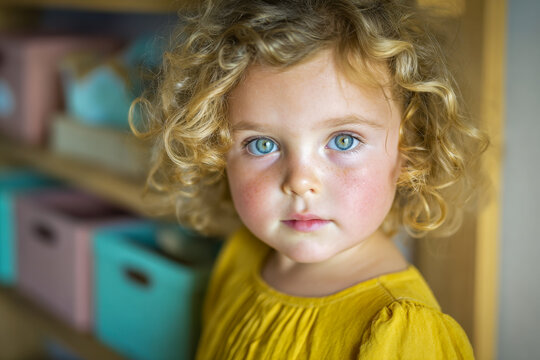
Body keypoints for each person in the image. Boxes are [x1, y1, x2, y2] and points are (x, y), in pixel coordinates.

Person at [132, 0, 488, 358]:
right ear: (216, 147)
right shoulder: (240, 256)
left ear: (408, 151)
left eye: (343, 140)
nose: (300, 181)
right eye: (262, 144)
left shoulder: (403, 331)